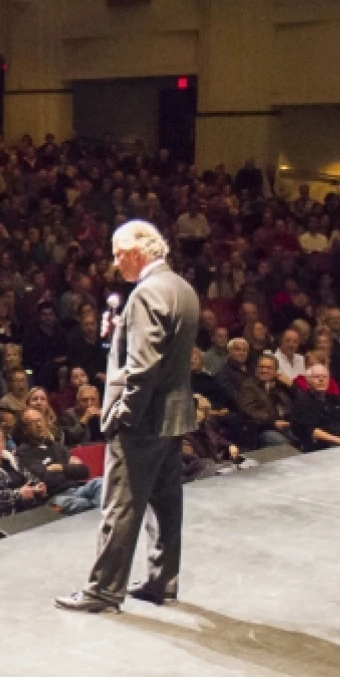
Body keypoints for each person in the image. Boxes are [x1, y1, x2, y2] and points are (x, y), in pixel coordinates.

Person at [58, 220, 198, 614]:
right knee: (166, 503)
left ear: (139, 252)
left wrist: (123, 413)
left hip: (143, 419)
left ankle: (103, 591)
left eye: (119, 255)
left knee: (119, 505)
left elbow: (142, 366)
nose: (115, 264)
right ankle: (160, 580)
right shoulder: (182, 288)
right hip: (173, 415)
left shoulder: (146, 293)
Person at [16, 408, 102, 514]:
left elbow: (84, 471)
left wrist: (60, 467)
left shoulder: (56, 446)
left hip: (77, 488)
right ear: (25, 429)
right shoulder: (24, 451)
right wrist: (70, 469)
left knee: (100, 483)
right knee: (83, 503)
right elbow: (46, 479)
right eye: (33, 423)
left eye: (40, 420)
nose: (39, 425)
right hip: (55, 497)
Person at [290, 365, 340, 451]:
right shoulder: (302, 403)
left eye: (324, 377)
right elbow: (311, 431)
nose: (321, 380)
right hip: (326, 445)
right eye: (316, 377)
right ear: (308, 380)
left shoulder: (337, 399)